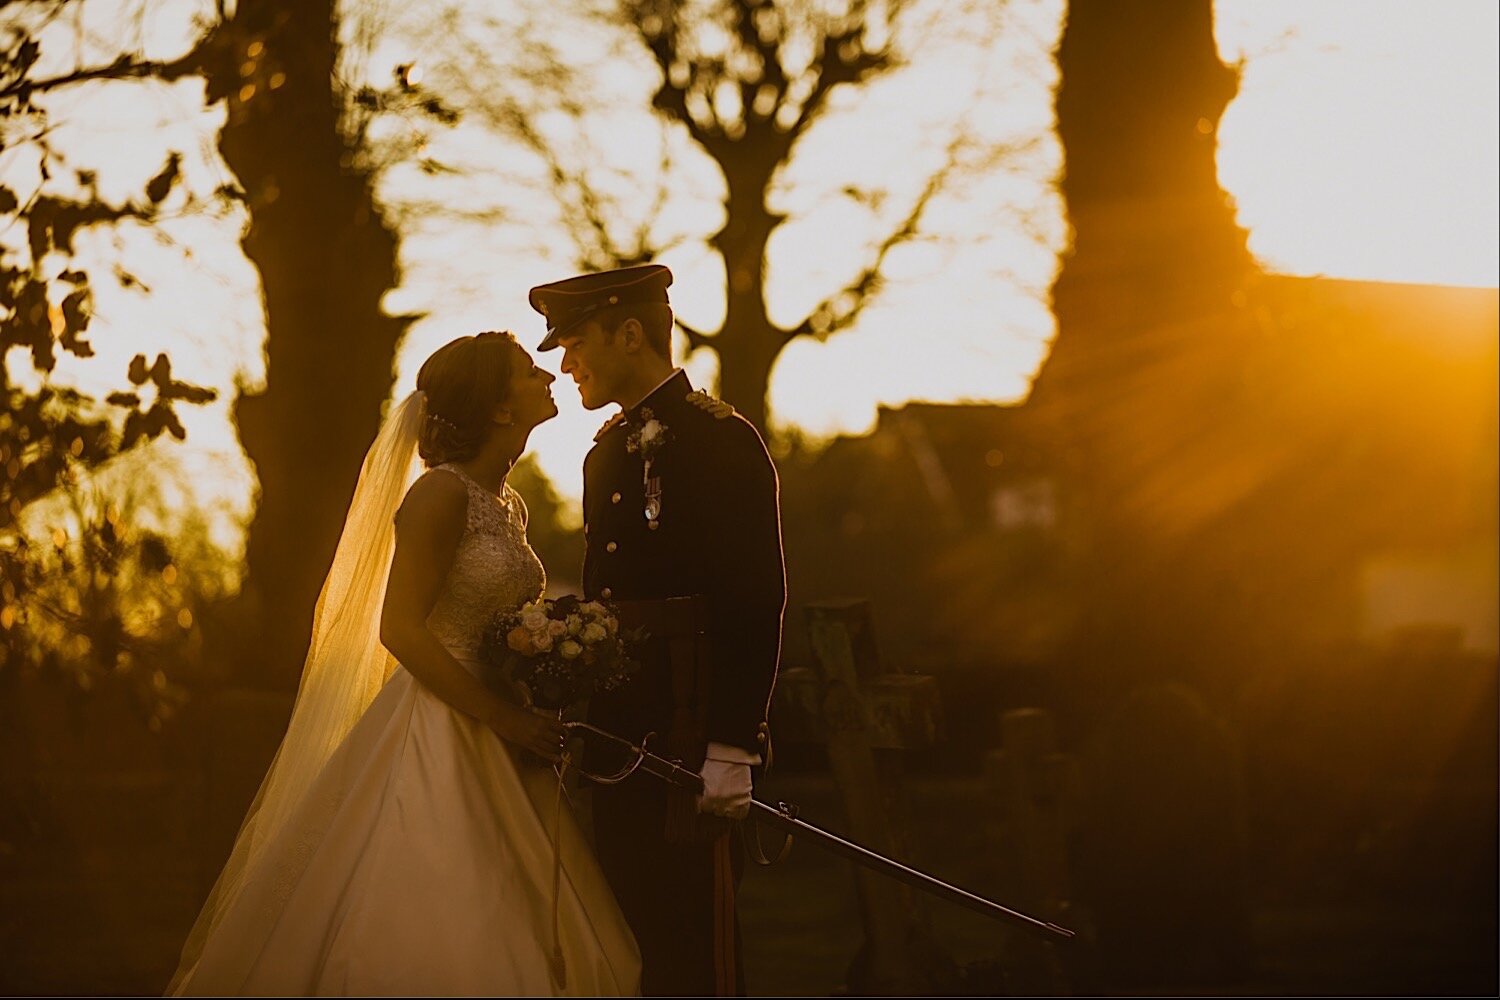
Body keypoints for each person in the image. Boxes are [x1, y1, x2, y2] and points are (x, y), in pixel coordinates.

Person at [166, 332, 640, 996]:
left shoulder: (507, 503)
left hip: (507, 728)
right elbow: (401, 632)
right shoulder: (439, 496)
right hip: (444, 725)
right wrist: (503, 718)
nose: (549, 374)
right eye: (529, 371)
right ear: (499, 407)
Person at [530, 264, 785, 996]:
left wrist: (735, 743)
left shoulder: (721, 441)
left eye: (576, 343)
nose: (567, 362)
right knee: (630, 940)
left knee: (695, 950)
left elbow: (755, 597)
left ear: (631, 332)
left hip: (692, 731)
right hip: (621, 738)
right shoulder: (606, 450)